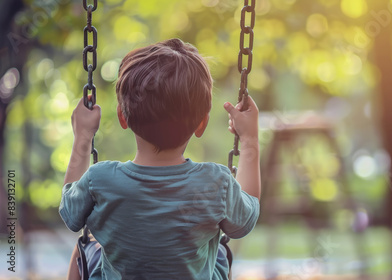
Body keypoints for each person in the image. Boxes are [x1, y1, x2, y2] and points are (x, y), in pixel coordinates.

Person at [59, 38, 261, 279]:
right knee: (215, 252)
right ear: (202, 123)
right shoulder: (216, 182)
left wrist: (82, 138)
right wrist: (249, 140)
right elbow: (245, 219)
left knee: (85, 246)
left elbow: (70, 214)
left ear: (122, 117)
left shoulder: (99, 179)